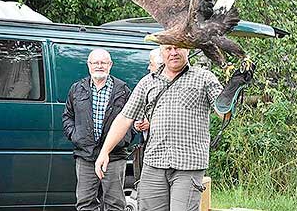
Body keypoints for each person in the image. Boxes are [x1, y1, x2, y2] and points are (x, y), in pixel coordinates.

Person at [95, 45, 223, 211]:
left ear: (188, 50)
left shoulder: (204, 78)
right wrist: (105, 151)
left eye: (178, 47)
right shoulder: (148, 81)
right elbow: (125, 118)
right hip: (154, 162)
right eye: (168, 48)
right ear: (162, 52)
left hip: (188, 165)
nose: (173, 52)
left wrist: (234, 88)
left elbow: (224, 113)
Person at [62, 48, 132, 211]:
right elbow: (67, 116)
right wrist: (76, 136)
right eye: (95, 63)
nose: (99, 66)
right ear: (89, 65)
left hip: (114, 156)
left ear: (110, 65)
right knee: (85, 203)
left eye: (103, 63)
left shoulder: (123, 90)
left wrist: (122, 140)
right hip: (86, 155)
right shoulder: (77, 89)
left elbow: (131, 119)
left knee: (115, 204)